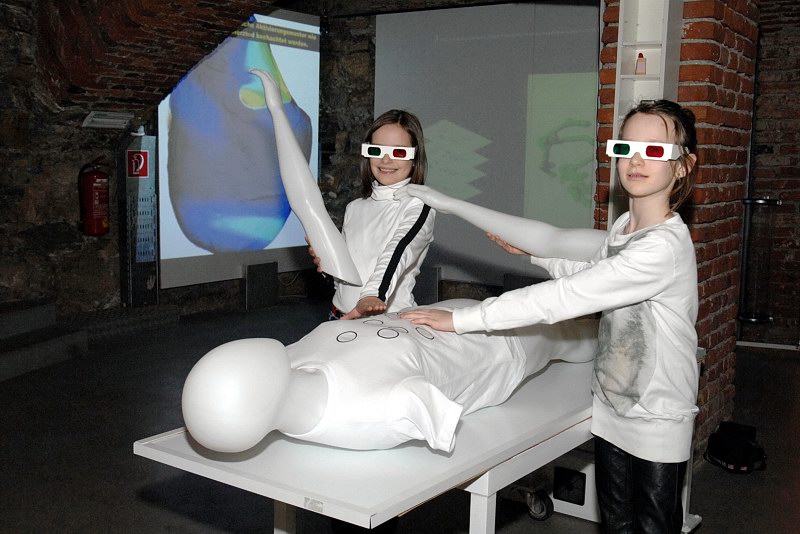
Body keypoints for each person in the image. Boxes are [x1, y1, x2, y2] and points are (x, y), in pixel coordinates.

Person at [402, 99, 699, 534]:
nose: (636, 161)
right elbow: (598, 273)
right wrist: (536, 257)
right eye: (625, 147)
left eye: (654, 150)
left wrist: (463, 319)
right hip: (613, 404)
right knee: (617, 524)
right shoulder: (625, 229)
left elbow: (568, 297)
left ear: (683, 166)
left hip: (657, 414)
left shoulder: (664, 247)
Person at [182, 299, 598, 454]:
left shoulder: (290, 359)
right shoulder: (373, 409)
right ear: (257, 400)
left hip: (443, 312)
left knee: (557, 313)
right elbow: (434, 416)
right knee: (575, 338)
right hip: (500, 346)